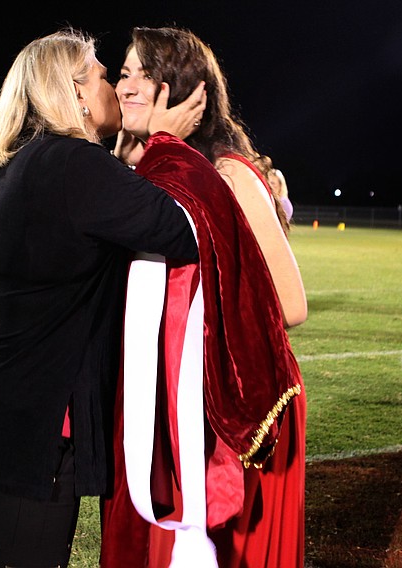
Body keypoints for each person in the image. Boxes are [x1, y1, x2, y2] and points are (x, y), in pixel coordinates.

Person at [0, 28, 235, 568]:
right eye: (107, 75)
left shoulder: (15, 163)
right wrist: (168, 143)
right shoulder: (71, 166)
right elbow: (184, 230)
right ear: (76, 92)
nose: (118, 86)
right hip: (11, 431)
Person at [101, 26, 308, 567]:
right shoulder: (146, 170)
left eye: (142, 75)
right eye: (122, 73)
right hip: (169, 406)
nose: (124, 87)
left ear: (182, 88)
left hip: (233, 412)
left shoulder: (227, 173)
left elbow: (291, 305)